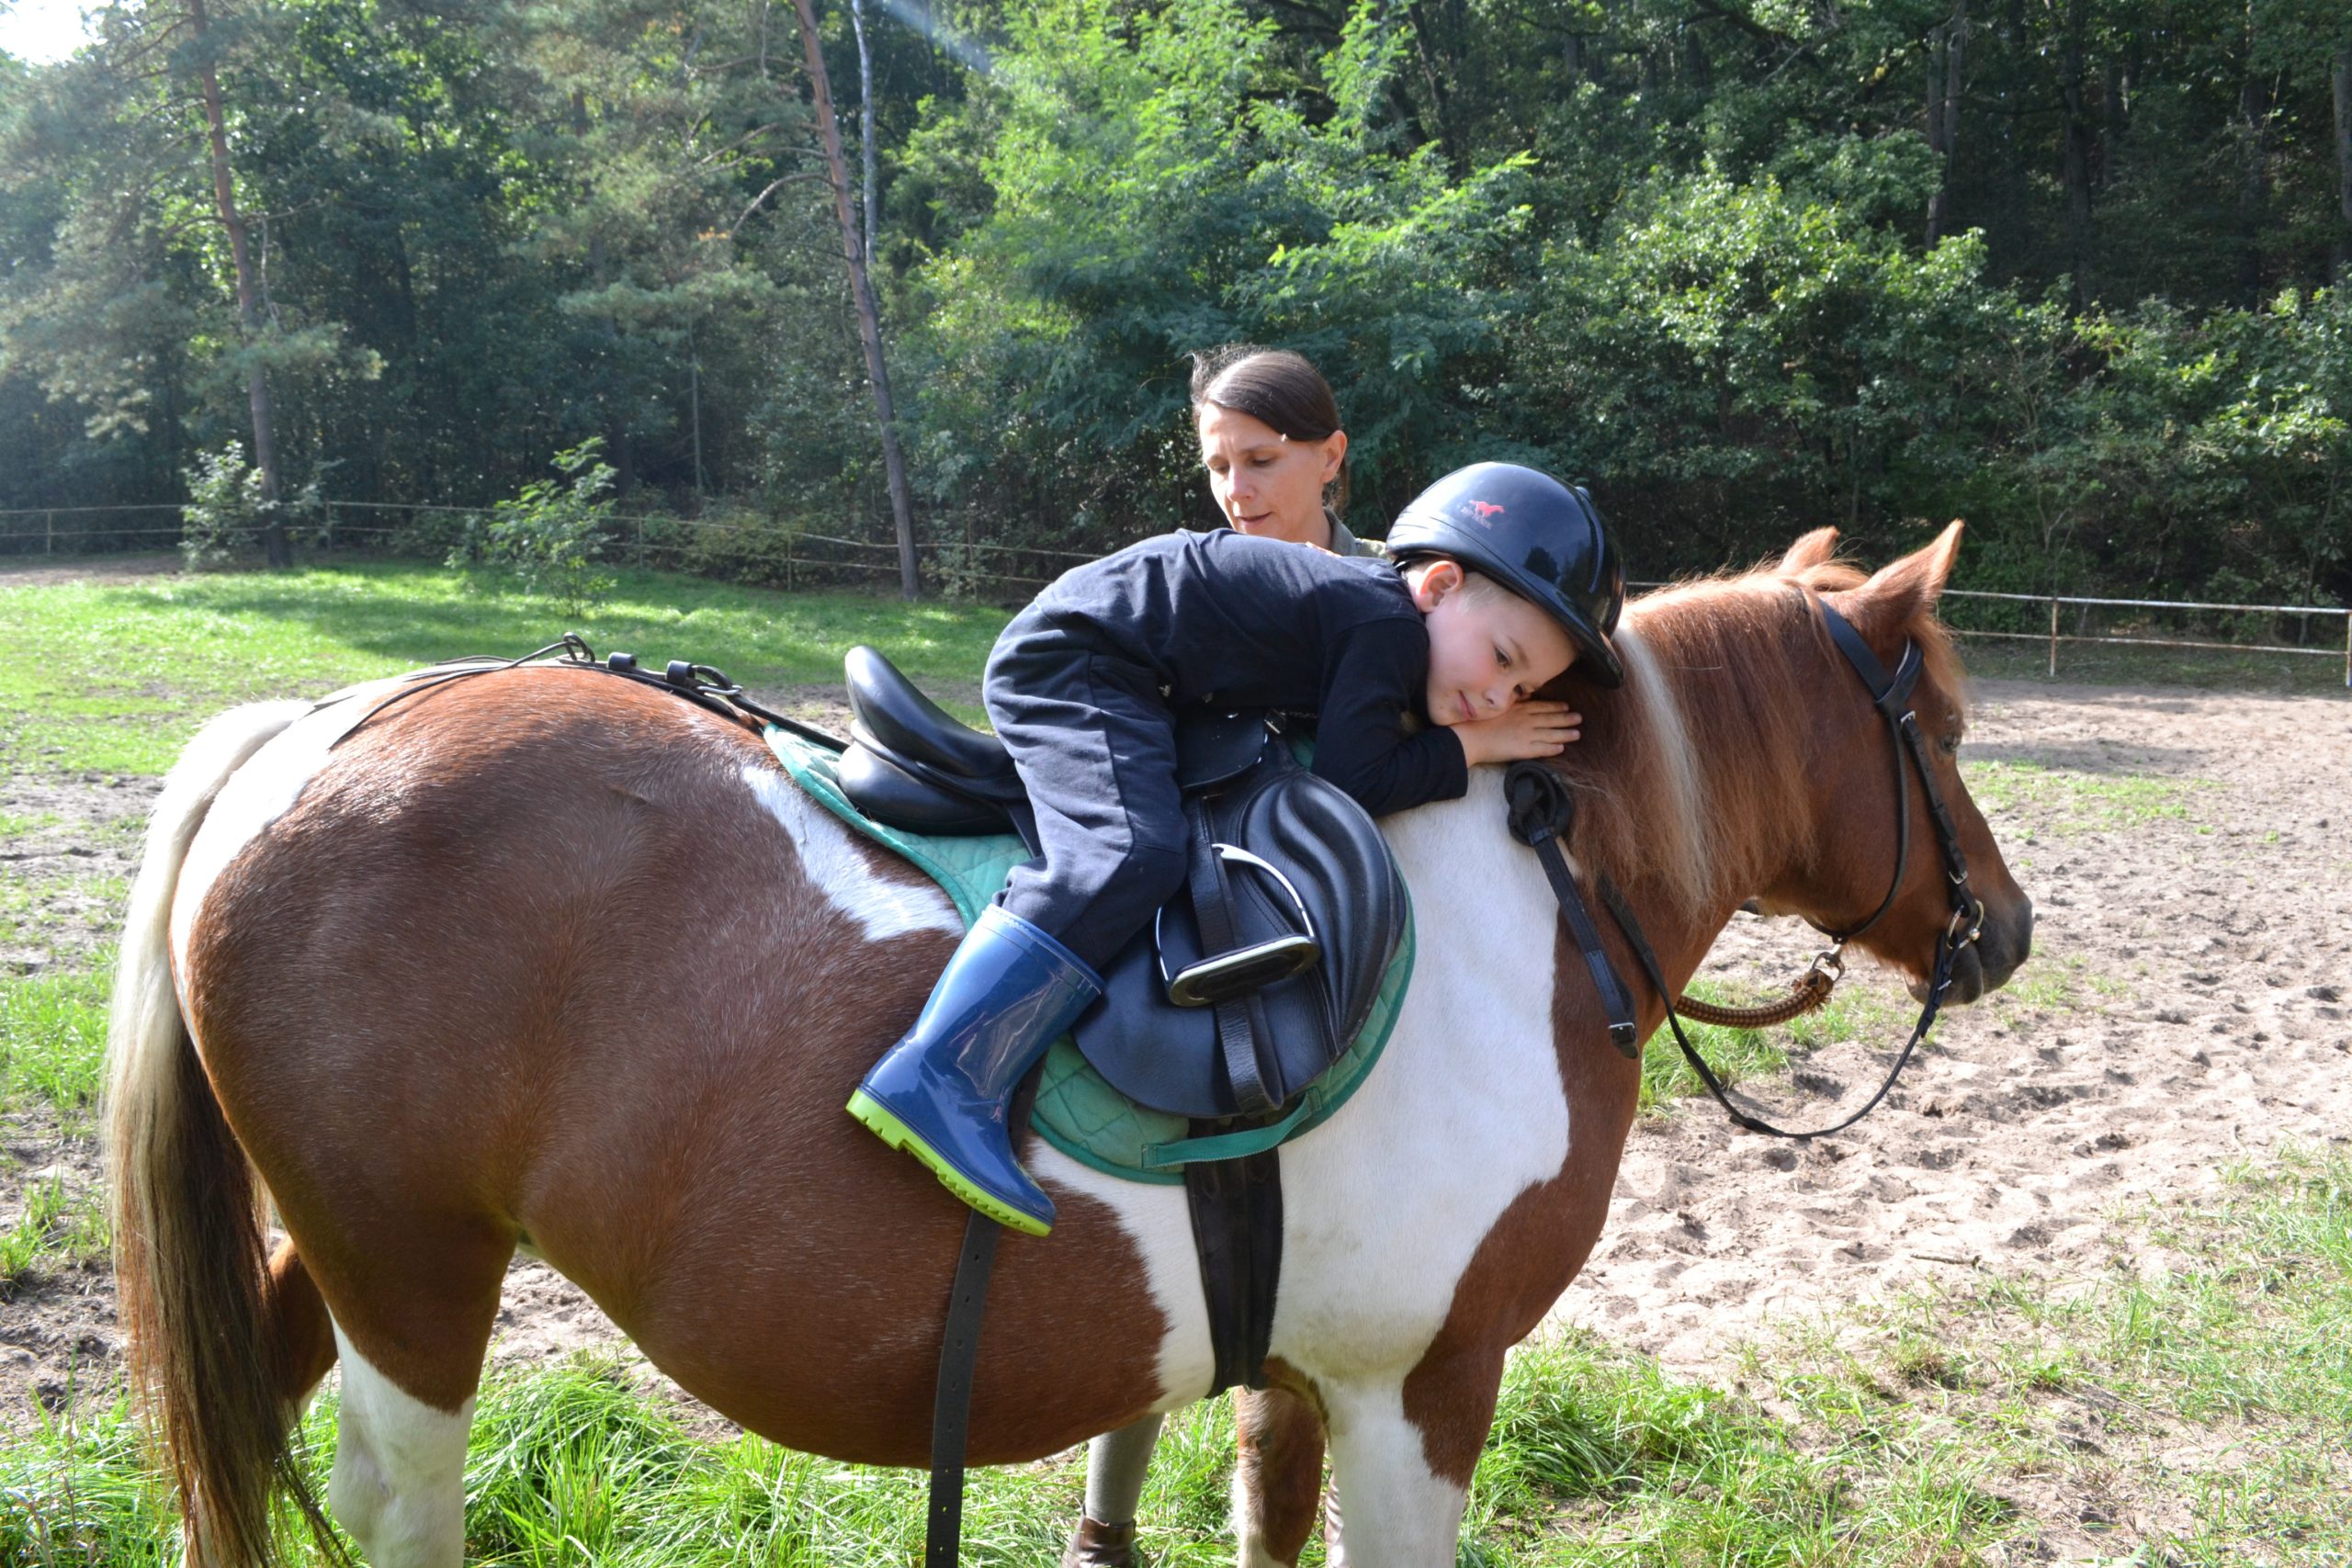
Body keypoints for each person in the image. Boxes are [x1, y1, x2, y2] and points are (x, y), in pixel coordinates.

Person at [847, 463, 1626, 1236]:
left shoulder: (1374, 614)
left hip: (1121, 665)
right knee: (1130, 851)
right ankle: (941, 1067)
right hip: (1082, 660)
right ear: (1439, 586)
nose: (1497, 698)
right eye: (1503, 659)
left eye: (1522, 691)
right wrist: (1471, 747)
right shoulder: (1386, 628)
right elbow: (1353, 780)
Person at [1189, 345, 1376, 556]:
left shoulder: (1397, 574)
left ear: (1330, 456)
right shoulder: (1191, 575)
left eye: (1261, 461)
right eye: (1220, 468)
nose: (1235, 491)